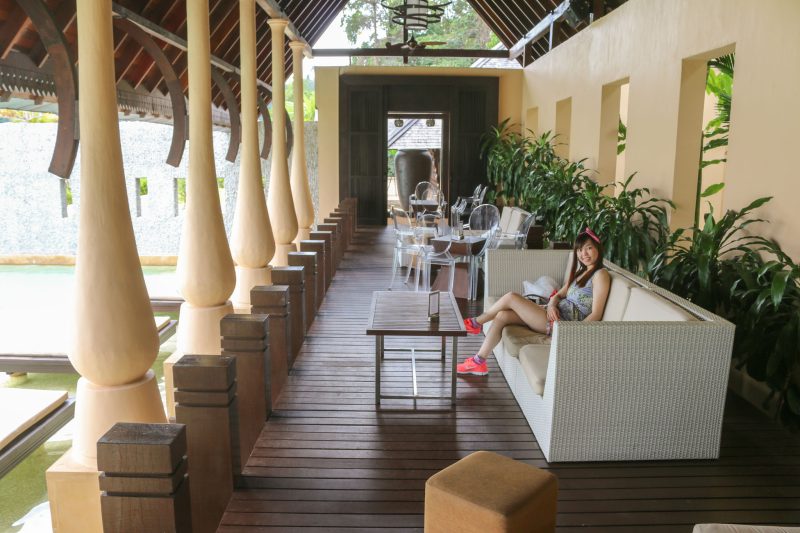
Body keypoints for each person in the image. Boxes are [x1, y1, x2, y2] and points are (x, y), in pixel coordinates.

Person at [456, 228, 611, 376]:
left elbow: (596, 314)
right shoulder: (581, 273)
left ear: (598, 248)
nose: (584, 254)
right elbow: (558, 295)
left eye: (589, 248)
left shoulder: (600, 275)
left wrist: (570, 333)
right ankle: (479, 361)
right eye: (580, 250)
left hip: (562, 324)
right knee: (502, 315)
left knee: (511, 297)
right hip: (552, 314)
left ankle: (476, 323)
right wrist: (551, 305)